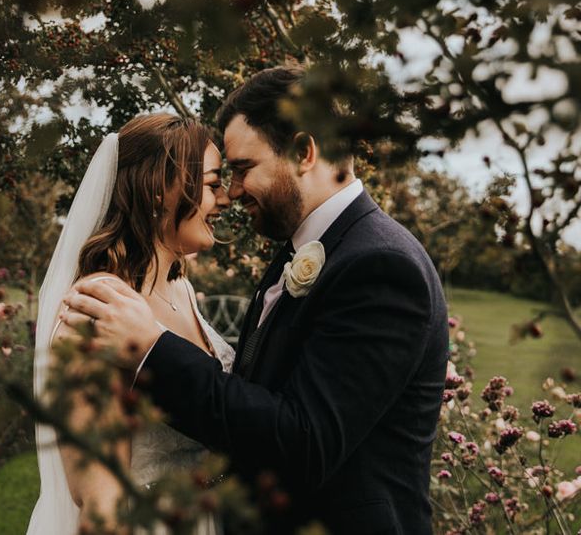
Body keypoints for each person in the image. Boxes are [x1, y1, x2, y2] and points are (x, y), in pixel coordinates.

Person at [63, 66, 450, 535]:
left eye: (243, 169)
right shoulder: (306, 252)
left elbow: (304, 443)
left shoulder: (381, 266)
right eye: (219, 179)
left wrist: (151, 348)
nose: (233, 192)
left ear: (305, 152)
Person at [27, 113, 233, 535]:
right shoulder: (97, 310)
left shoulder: (181, 289)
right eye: (213, 184)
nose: (226, 198)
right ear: (161, 190)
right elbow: (103, 504)